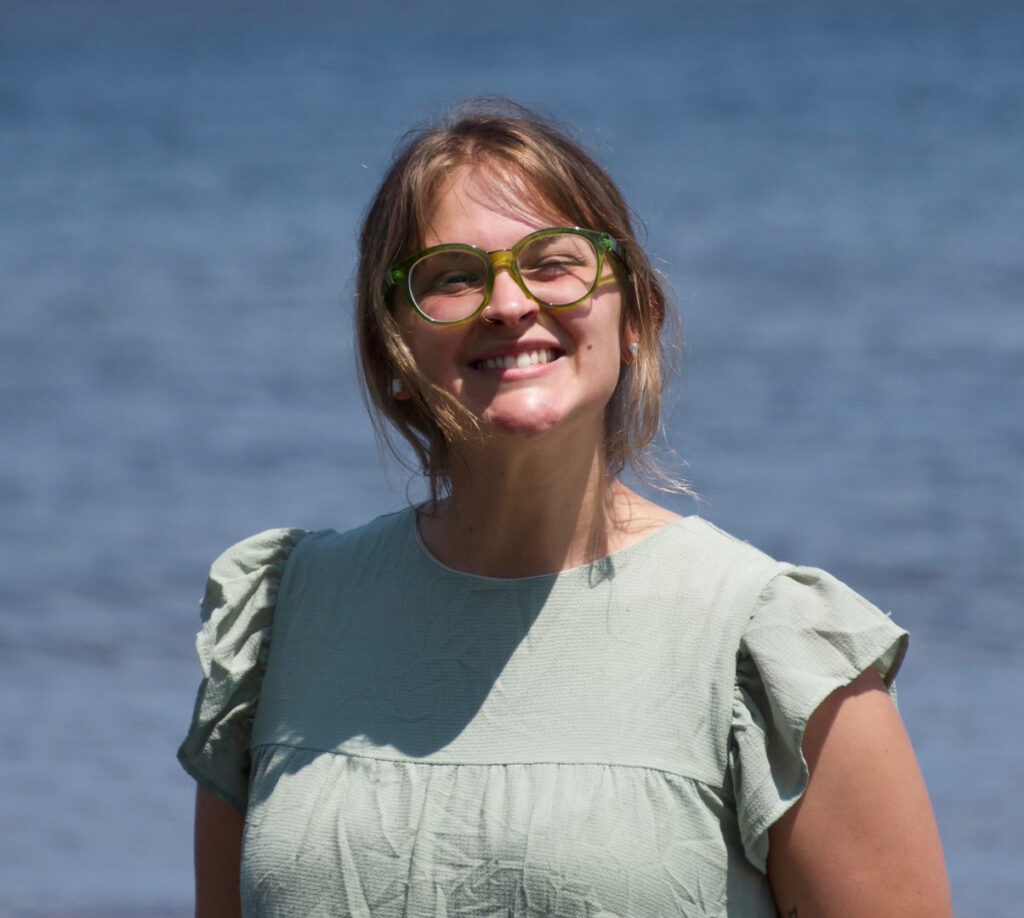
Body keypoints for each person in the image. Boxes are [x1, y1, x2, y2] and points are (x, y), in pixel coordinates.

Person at [178, 100, 953, 917]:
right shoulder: (284, 620)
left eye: (553, 263)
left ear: (637, 324)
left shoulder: (773, 651)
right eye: (451, 277)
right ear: (392, 351)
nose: (508, 304)